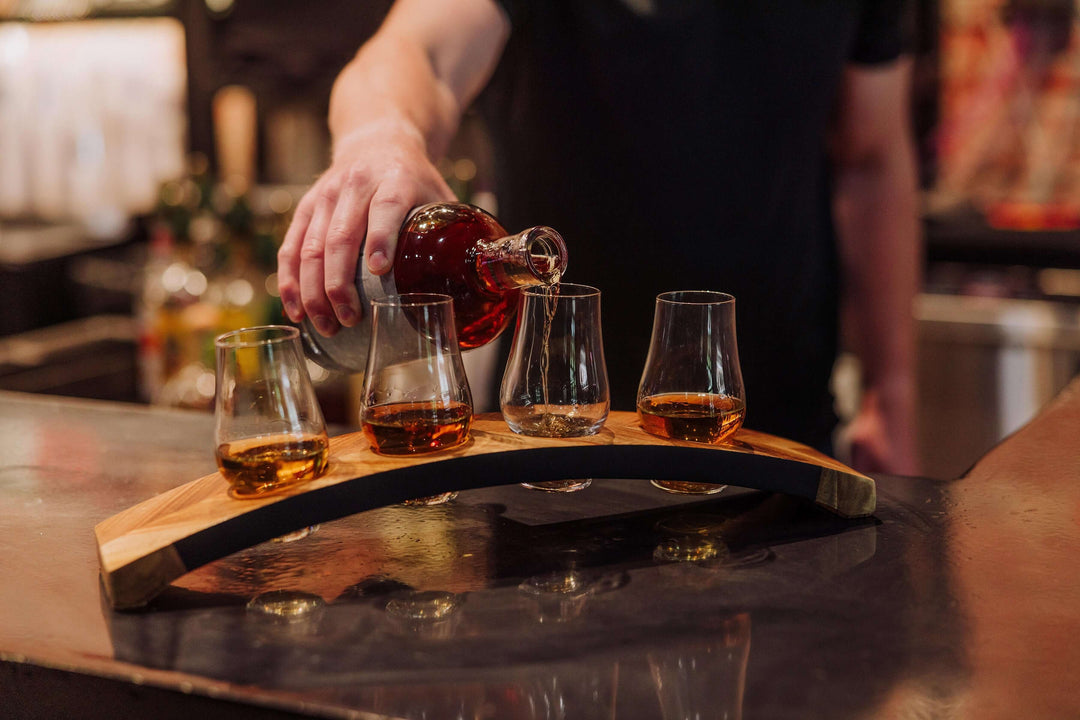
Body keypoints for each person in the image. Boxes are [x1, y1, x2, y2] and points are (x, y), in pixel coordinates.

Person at [276, 0, 922, 475]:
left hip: (776, 431)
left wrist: (890, 392)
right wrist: (380, 134)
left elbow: (870, 159)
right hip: (550, 450)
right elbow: (417, 52)